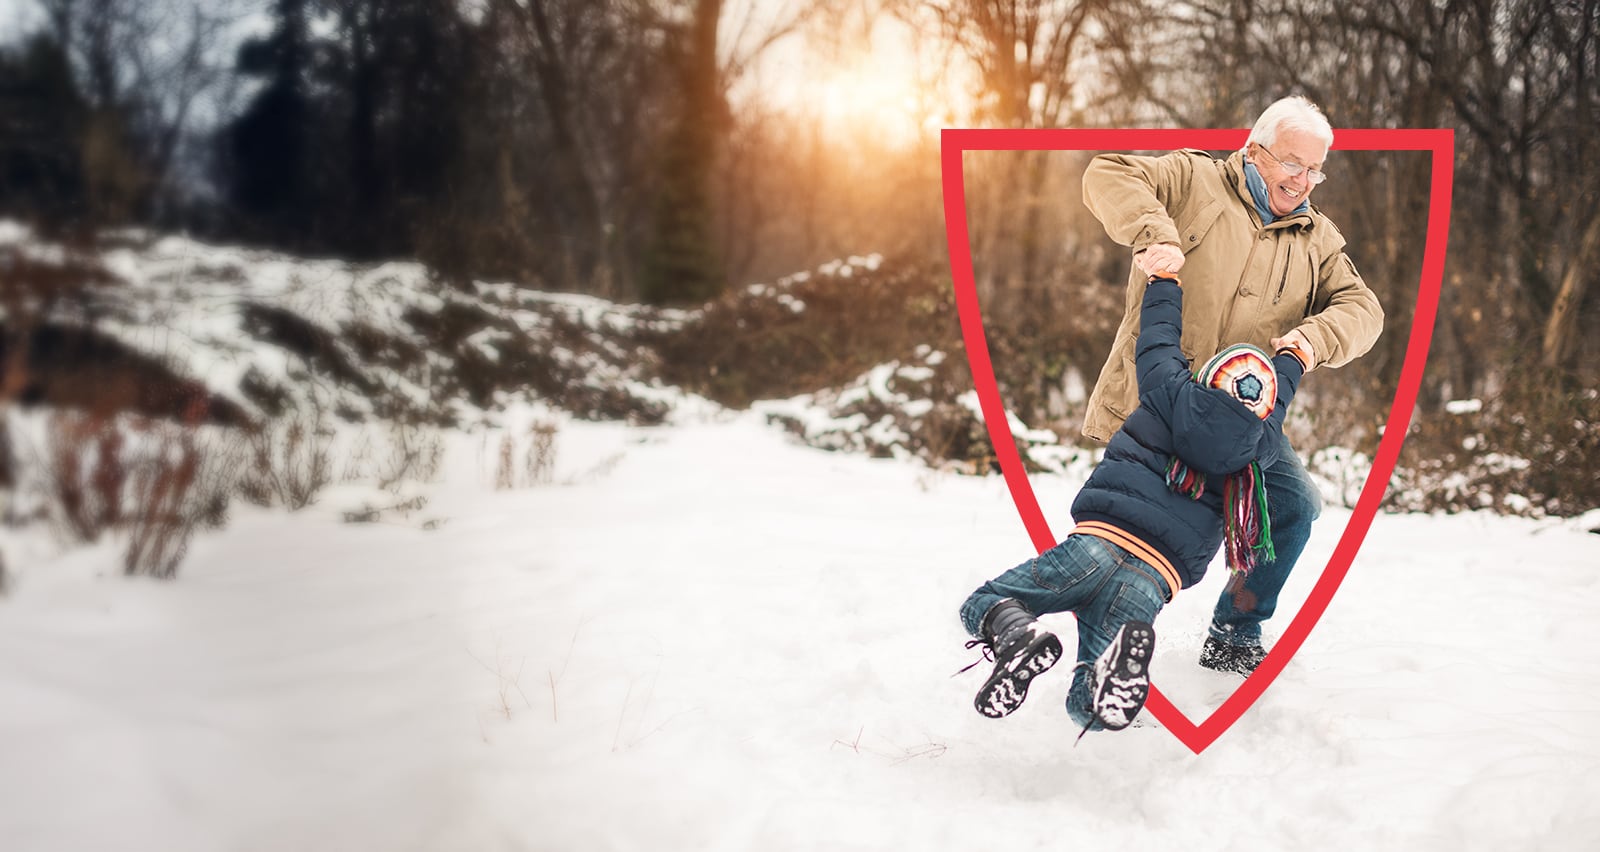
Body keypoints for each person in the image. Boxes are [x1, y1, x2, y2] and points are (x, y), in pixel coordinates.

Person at [1078, 95, 1384, 674]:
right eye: (1291, 162)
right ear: (1253, 150)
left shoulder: (1317, 239)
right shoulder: (1193, 179)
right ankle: (1105, 658)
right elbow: (1108, 172)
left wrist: (1313, 338)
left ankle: (1235, 630)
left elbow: (1364, 309)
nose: (1302, 180)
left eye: (1314, 169)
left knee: (1294, 505)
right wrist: (1154, 232)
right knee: (1135, 527)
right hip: (1156, 401)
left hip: (1240, 417)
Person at [957, 274, 1310, 737]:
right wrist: (1293, 359)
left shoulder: (1167, 390)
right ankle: (1104, 681)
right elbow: (1278, 402)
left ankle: (1017, 633)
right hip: (1153, 578)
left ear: (1207, 375)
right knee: (1091, 700)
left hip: (1095, 545)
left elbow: (1158, 336)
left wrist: (1165, 280)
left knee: (984, 603)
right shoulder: (1258, 445)